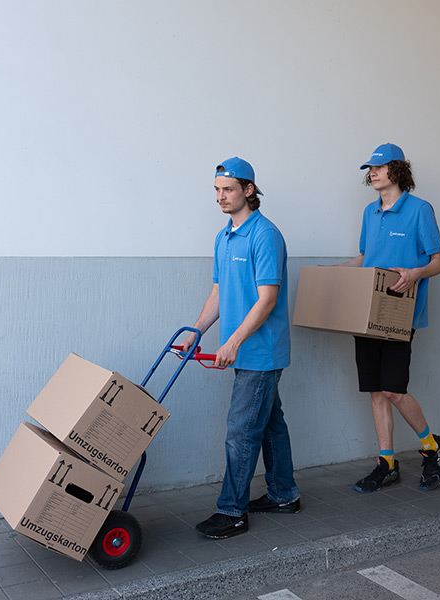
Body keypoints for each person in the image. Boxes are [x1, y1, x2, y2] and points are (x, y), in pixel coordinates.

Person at [180, 157, 300, 539]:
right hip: (242, 350)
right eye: (216, 190)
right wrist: (197, 330)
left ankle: (232, 512)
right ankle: (284, 494)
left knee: (241, 431)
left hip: (259, 353)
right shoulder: (224, 236)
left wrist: (232, 341)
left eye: (228, 189)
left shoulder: (265, 235)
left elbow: (266, 299)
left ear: (249, 190)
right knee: (268, 425)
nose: (221, 197)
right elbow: (218, 294)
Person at [335, 143, 440, 492]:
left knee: (394, 389)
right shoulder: (370, 213)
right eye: (370, 169)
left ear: (397, 170)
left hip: (400, 314)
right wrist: (334, 274)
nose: (372, 173)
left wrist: (415, 274)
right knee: (375, 390)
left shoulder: (419, 210)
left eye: (379, 167)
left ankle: (433, 449)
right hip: (365, 312)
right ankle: (387, 463)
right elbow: (364, 257)